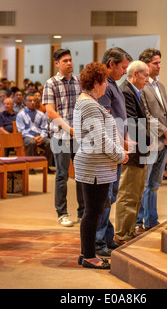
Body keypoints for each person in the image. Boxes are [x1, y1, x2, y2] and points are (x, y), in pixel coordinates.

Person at [73, 62, 128, 269]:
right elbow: (100, 139)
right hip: (95, 166)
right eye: (105, 81)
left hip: (96, 164)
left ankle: (85, 254)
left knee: (93, 211)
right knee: (93, 212)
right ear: (96, 82)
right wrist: (121, 155)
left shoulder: (88, 101)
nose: (107, 85)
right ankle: (89, 256)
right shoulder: (89, 104)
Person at [96, 47, 133, 255]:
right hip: (109, 150)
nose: (125, 72)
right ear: (111, 64)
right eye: (123, 67)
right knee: (105, 197)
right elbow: (106, 121)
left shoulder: (113, 85)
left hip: (117, 146)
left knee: (110, 197)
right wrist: (118, 146)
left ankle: (107, 237)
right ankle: (99, 242)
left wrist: (125, 140)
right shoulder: (104, 87)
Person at [42, 49, 84, 227]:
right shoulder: (51, 83)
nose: (69, 63)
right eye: (65, 61)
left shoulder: (78, 81)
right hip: (61, 136)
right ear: (57, 64)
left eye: (70, 60)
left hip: (79, 136)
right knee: (62, 175)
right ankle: (62, 213)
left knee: (82, 175)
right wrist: (69, 129)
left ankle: (83, 213)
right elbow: (50, 111)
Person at [114, 60, 151, 244]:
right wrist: (151, 137)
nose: (148, 79)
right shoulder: (126, 91)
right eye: (145, 75)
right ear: (135, 74)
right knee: (128, 194)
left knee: (136, 194)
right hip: (133, 149)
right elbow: (131, 123)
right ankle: (122, 234)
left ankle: (129, 232)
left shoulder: (135, 91)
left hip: (140, 150)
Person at [137, 48, 167, 232]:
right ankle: (139, 222)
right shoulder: (142, 87)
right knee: (144, 184)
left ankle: (152, 219)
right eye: (155, 63)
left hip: (164, 141)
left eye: (160, 62)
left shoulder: (161, 86)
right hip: (150, 140)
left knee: (155, 183)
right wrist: (164, 131)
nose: (159, 66)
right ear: (146, 65)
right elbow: (146, 115)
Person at [16, 94, 53, 172]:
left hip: (39, 136)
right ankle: (30, 167)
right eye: (30, 101)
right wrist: (33, 137)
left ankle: (46, 166)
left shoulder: (41, 114)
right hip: (27, 137)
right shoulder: (21, 115)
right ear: (25, 102)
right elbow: (21, 130)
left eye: (34, 101)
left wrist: (41, 137)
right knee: (31, 142)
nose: (32, 102)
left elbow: (45, 128)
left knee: (50, 142)